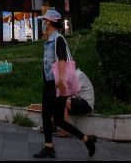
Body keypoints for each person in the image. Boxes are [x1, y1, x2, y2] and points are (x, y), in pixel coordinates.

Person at [34, 9, 96, 158]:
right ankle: (50, 147)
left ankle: (87, 139)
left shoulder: (58, 39)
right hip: (49, 84)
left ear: (49, 22)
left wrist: (61, 80)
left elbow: (62, 59)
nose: (43, 23)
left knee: (58, 119)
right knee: (49, 117)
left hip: (57, 85)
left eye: (44, 21)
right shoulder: (50, 39)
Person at [56, 69, 96, 137]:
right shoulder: (71, 76)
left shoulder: (78, 75)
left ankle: (65, 131)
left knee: (63, 102)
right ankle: (51, 126)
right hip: (79, 101)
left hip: (87, 104)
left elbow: (72, 91)